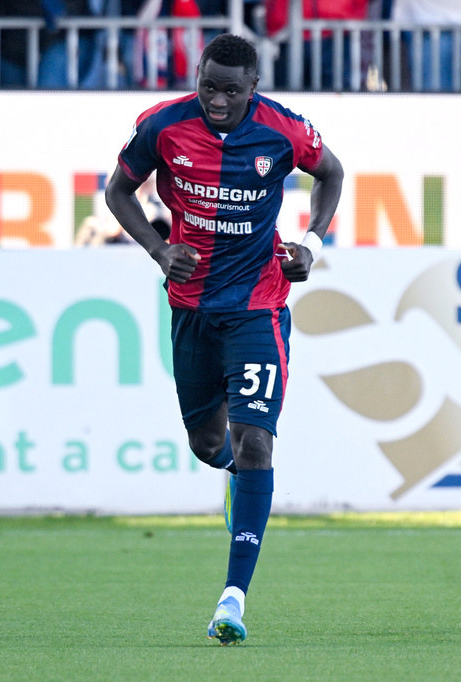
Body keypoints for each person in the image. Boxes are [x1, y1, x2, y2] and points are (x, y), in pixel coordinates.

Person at [105, 33, 344, 645]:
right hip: (191, 306)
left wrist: (311, 245)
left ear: (253, 88)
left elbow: (332, 174)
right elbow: (117, 191)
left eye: (230, 90)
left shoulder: (284, 131)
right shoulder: (162, 126)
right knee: (209, 442)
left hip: (259, 307)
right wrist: (160, 251)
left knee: (255, 442)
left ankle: (233, 598)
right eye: (208, 85)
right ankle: (245, 484)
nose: (216, 99)